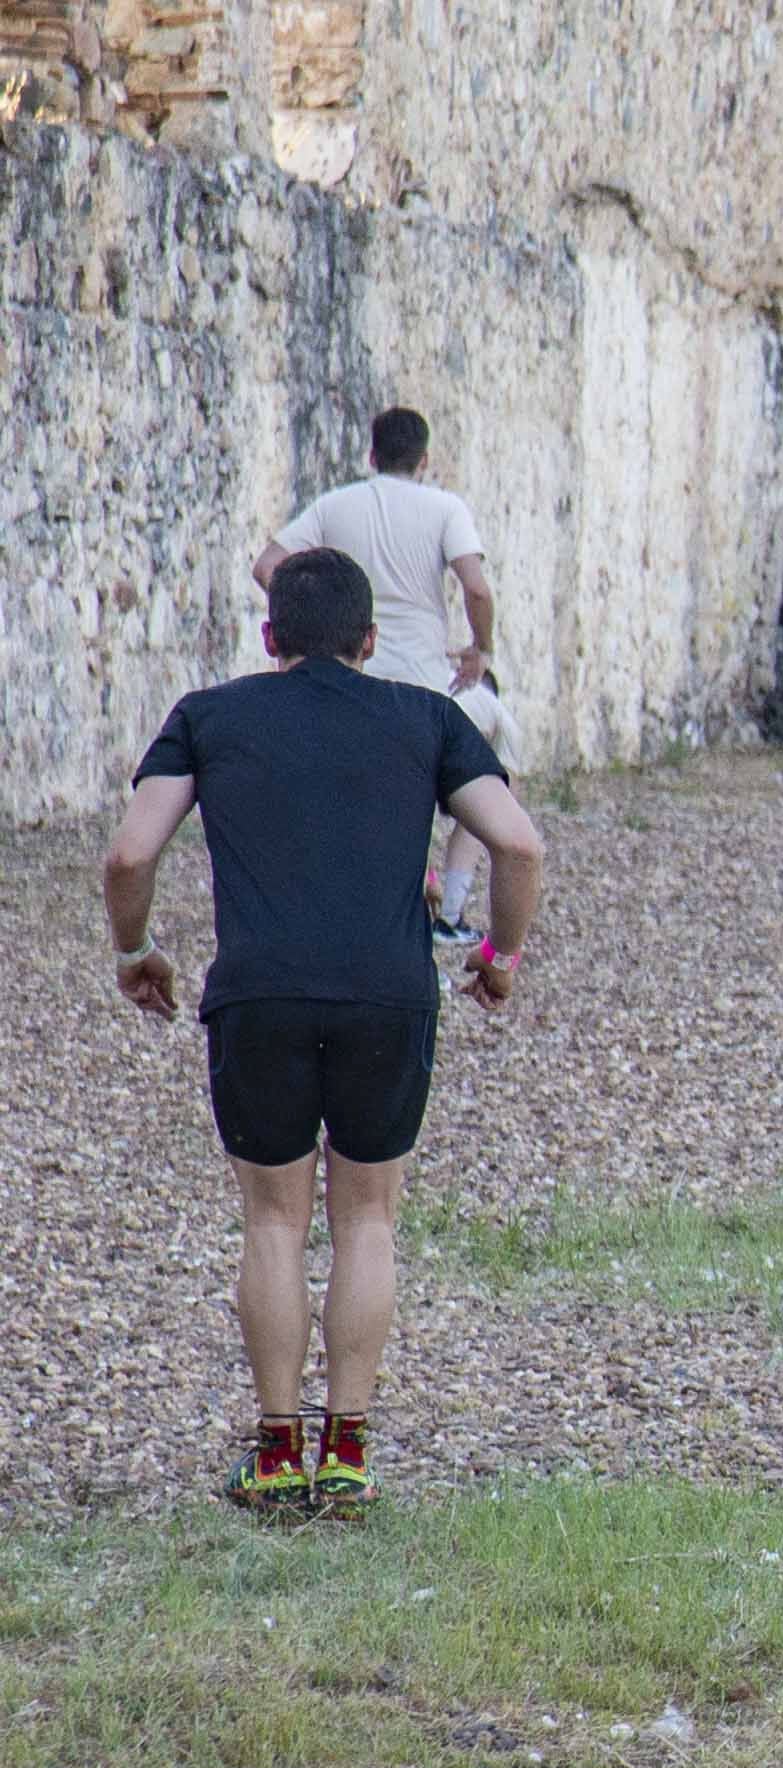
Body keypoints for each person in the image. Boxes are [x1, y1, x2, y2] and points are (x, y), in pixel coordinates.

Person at [101, 548, 545, 1517]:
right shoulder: (426, 717)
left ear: (270, 641)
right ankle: (346, 1451)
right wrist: (498, 958)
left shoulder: (209, 716)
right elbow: (517, 842)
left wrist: (136, 950)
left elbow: (131, 852)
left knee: (272, 1220)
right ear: (372, 640)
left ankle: (272, 1452)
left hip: (257, 997)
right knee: (367, 1219)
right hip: (386, 996)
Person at [252, 405, 508, 945]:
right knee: (492, 761)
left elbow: (267, 565)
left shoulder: (337, 504)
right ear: (424, 458)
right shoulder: (444, 508)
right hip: (425, 683)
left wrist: (316, 619)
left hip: (349, 674)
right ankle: (452, 910)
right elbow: (477, 588)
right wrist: (480, 649)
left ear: (371, 455)